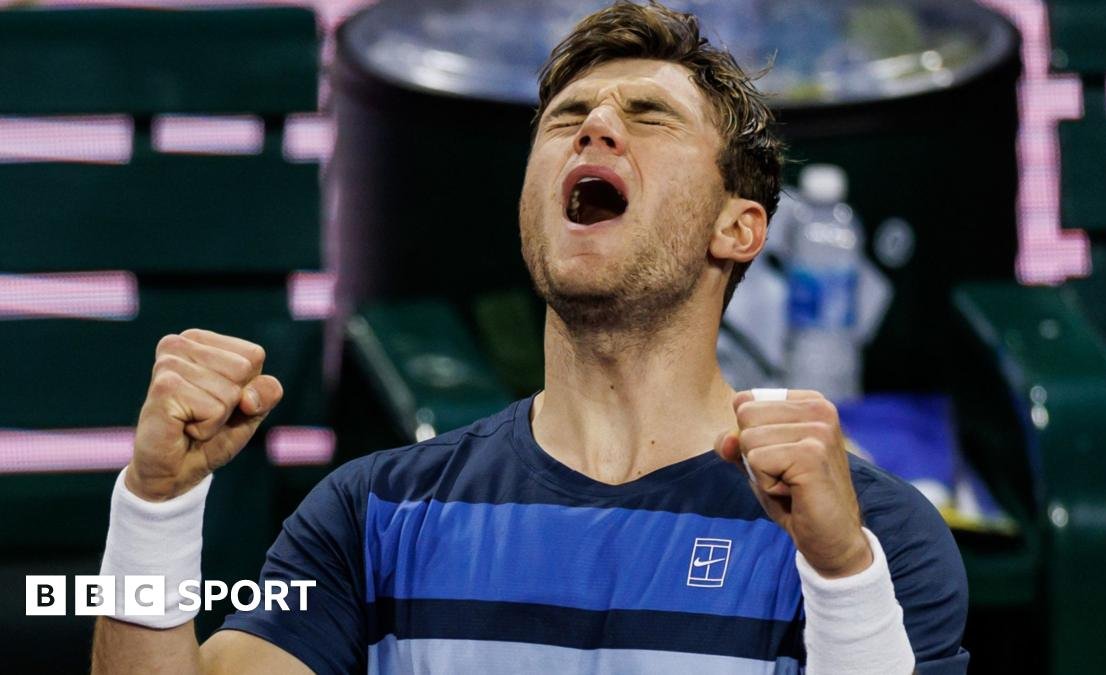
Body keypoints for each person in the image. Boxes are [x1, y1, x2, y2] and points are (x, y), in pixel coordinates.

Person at [91, 2, 968, 673]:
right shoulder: (373, 514)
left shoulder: (867, 536)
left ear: (738, 230)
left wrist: (844, 573)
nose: (594, 126)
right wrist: (155, 506)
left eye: (649, 117)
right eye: (566, 118)